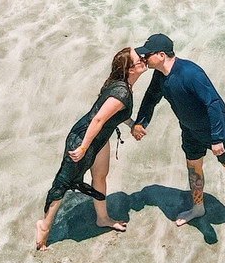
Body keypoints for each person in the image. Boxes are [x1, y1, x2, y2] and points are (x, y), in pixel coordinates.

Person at [130, 33, 225, 231]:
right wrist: (140, 123)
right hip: (190, 130)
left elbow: (213, 103)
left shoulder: (190, 73)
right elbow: (150, 98)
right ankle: (198, 207)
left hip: (216, 129)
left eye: (148, 54)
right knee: (193, 168)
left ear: (161, 55)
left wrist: (217, 138)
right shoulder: (160, 76)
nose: (144, 58)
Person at [36, 47, 148, 251]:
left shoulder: (123, 86)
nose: (143, 59)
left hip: (98, 139)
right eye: (139, 58)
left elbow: (115, 113)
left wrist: (132, 125)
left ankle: (102, 218)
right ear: (130, 69)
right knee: (64, 181)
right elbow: (98, 119)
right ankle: (44, 225)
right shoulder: (122, 91)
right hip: (83, 139)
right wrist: (83, 147)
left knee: (100, 176)